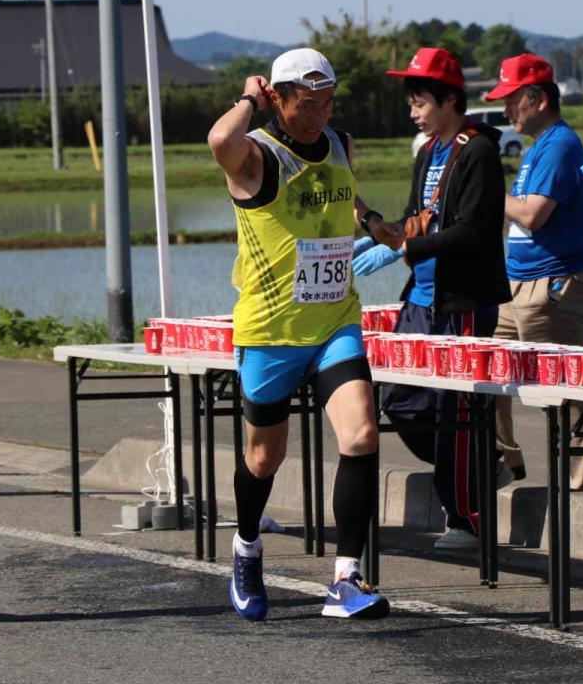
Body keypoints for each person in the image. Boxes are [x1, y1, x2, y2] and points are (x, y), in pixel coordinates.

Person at [207, 48, 402, 621]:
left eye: (326, 104)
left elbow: (343, 196)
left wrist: (370, 222)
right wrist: (248, 96)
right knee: (265, 458)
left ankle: (345, 580)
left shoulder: (341, 143)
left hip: (335, 321)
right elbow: (219, 141)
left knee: (363, 433)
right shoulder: (255, 157)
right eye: (305, 105)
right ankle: (246, 549)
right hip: (271, 330)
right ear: (279, 100)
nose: (317, 116)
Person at [355, 47, 512, 550]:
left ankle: (467, 516)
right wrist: (380, 231)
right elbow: (413, 218)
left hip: (462, 300)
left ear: (448, 99)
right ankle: (482, 468)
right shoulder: (427, 152)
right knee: (401, 400)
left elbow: (474, 231)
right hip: (421, 298)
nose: (413, 111)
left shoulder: (479, 152)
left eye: (420, 101)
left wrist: (410, 245)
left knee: (458, 409)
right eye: (411, 102)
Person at [483, 53, 583, 493]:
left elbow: (533, 214)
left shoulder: (560, 144)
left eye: (512, 101)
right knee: (488, 372)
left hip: (554, 285)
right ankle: (504, 461)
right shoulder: (537, 149)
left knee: (563, 388)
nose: (507, 112)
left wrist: (489, 190)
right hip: (517, 286)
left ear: (538, 98)